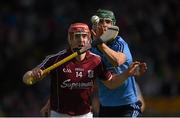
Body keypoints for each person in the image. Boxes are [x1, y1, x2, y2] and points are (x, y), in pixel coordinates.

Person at [23, 23, 146, 117]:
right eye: (77, 36)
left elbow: (111, 83)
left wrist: (127, 74)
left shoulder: (96, 61)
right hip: (59, 115)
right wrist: (33, 75)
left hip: (85, 115)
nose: (81, 40)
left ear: (89, 39)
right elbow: (27, 77)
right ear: (70, 39)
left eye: (84, 36)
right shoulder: (56, 59)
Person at [90, 9, 147, 117]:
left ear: (113, 24)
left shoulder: (120, 44)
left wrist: (100, 44)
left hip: (127, 105)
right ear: (95, 25)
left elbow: (117, 61)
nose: (104, 25)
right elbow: (108, 82)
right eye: (100, 22)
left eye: (107, 21)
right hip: (105, 106)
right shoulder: (91, 49)